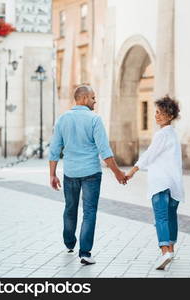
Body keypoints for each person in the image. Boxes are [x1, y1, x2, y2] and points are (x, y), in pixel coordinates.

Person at [49, 85, 127, 265]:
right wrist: (117, 173)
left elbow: (54, 150)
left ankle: (69, 242)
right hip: (91, 172)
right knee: (89, 212)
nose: (95, 101)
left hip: (70, 172)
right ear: (83, 99)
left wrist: (52, 174)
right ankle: (85, 253)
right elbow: (105, 151)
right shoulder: (95, 119)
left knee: (70, 208)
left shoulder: (62, 119)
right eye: (93, 98)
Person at [126, 95, 184, 270]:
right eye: (156, 112)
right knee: (171, 217)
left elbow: (149, 154)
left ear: (170, 116)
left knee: (161, 218)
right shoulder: (174, 134)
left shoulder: (161, 135)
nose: (156, 116)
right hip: (174, 184)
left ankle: (165, 251)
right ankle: (172, 249)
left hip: (160, 183)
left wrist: (132, 171)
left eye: (161, 113)